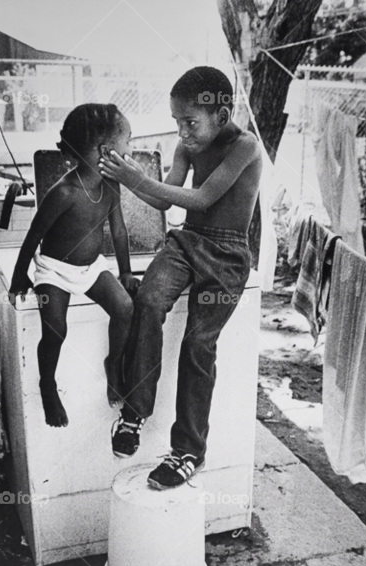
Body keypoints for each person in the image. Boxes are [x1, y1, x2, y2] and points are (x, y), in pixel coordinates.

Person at [99, 66, 262, 489]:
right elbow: (166, 195)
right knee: (148, 302)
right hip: (187, 242)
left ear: (221, 116)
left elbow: (202, 197)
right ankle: (135, 412)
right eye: (177, 122)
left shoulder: (245, 148)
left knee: (197, 343)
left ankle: (189, 451)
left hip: (227, 255)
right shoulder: (189, 146)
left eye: (189, 122)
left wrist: (135, 178)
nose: (182, 132)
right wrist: (128, 178)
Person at [10, 103, 140, 427]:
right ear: (105, 150)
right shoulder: (64, 192)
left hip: (91, 267)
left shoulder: (111, 185)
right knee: (56, 328)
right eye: (128, 141)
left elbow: (119, 230)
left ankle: (115, 365)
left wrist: (125, 271)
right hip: (54, 271)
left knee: (125, 307)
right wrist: (18, 277)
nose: (132, 148)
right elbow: (34, 235)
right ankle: (47, 384)